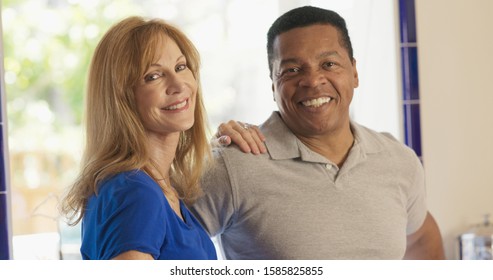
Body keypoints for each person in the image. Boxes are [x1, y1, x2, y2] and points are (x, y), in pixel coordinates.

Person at [191, 6, 445, 259]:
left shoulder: (398, 160)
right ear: (273, 84)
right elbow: (165, 250)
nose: (313, 81)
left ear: (354, 72)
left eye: (329, 64)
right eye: (292, 70)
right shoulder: (233, 165)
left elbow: (421, 237)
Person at [60, 16, 216, 260]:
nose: (178, 85)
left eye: (180, 67)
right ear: (122, 98)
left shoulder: (157, 186)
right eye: (153, 76)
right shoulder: (135, 192)